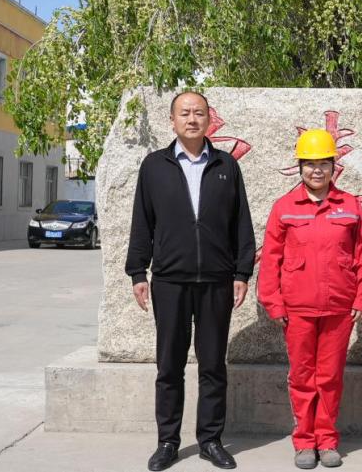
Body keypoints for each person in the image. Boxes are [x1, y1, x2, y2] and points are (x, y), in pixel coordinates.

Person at [125, 91, 256, 472]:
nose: (192, 119)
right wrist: (138, 271)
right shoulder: (155, 166)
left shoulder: (226, 165)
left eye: (199, 113)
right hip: (170, 281)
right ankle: (168, 441)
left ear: (209, 119)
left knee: (213, 365)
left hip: (216, 280)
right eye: (185, 113)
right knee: (169, 365)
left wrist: (241, 272)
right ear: (173, 120)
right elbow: (142, 222)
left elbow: (241, 223)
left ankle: (211, 440)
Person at [257, 129, 362, 470]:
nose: (317, 170)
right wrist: (274, 303)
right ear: (300, 167)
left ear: (333, 167)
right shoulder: (284, 208)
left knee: (330, 377)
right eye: (310, 164)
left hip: (339, 308)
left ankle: (327, 440)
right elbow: (271, 260)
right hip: (297, 309)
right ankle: (304, 441)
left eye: (324, 164)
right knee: (302, 377)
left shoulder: (350, 206)